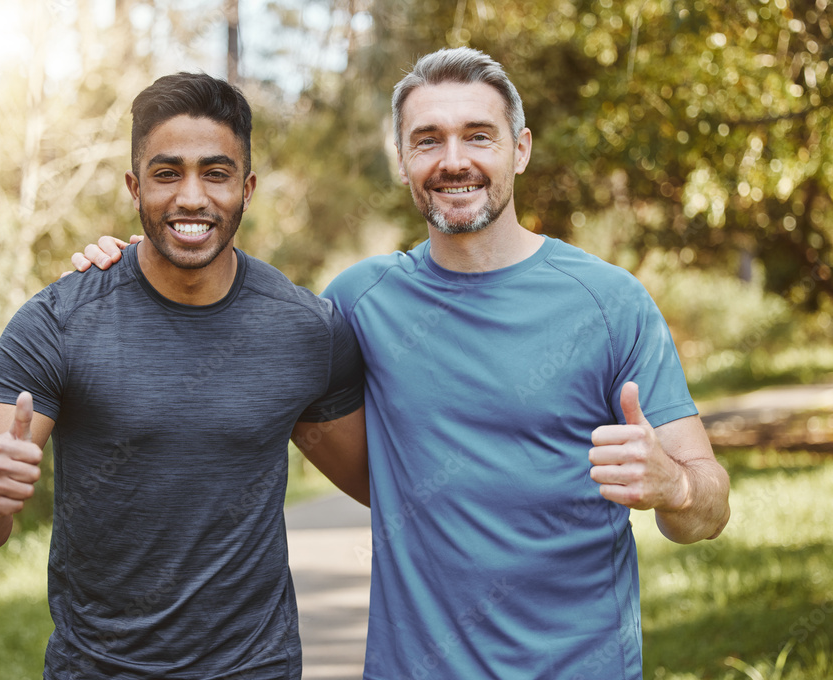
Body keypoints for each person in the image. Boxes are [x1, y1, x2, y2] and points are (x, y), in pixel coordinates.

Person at [72, 48, 731, 679]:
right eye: (427, 140)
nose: (454, 160)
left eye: (479, 136)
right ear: (402, 159)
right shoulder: (358, 302)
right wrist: (144, 264)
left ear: (519, 149)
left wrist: (672, 485)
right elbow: (227, 317)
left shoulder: (611, 302)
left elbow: (708, 509)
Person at [0, 72, 369, 680]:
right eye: (168, 174)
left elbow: (384, 485)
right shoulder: (59, 321)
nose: (191, 197)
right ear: (135, 187)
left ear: (246, 188)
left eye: (215, 173)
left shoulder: (305, 329)